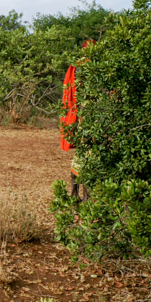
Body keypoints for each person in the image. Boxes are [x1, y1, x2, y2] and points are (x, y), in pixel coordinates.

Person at [60, 39, 94, 201]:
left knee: (82, 155)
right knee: (87, 155)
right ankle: (82, 195)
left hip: (81, 116)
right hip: (87, 117)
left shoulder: (77, 67)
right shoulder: (89, 67)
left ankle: (75, 193)